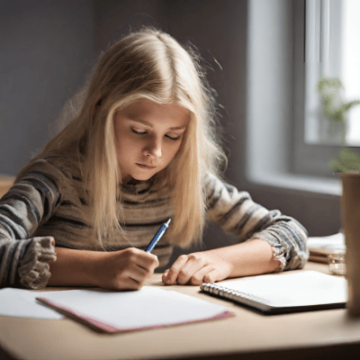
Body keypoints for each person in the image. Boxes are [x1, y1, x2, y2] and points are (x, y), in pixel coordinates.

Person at [0, 28, 308, 291]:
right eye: (139, 130)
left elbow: (291, 234)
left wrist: (222, 261)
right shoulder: (55, 178)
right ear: (99, 110)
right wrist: (96, 269)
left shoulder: (181, 179)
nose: (156, 153)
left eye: (173, 136)